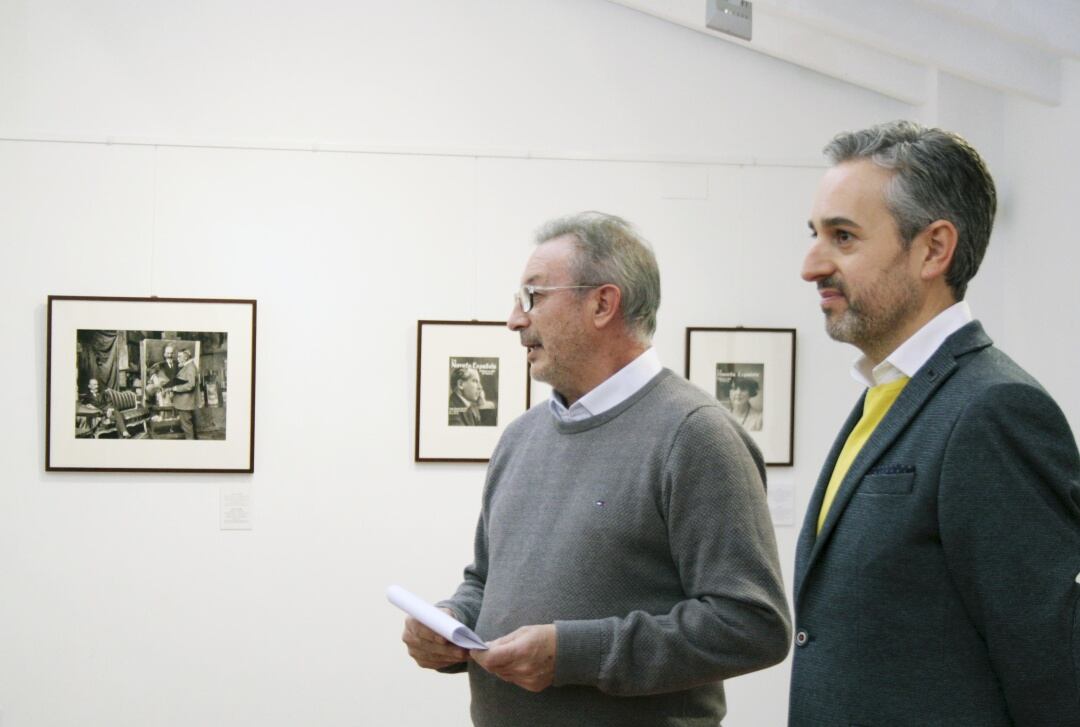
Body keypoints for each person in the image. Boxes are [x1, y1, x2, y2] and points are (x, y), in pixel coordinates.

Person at [402, 211, 791, 727]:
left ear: (603, 304)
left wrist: (575, 654)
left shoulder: (696, 435)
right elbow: (485, 578)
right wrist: (452, 622)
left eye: (533, 297)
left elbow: (751, 624)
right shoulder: (521, 437)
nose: (515, 320)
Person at [791, 120, 1080, 725]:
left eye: (842, 237)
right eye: (815, 235)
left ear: (934, 249)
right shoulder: (888, 393)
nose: (811, 265)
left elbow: (1052, 674)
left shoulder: (994, 410)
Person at [172, 348, 199, 440]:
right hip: (185, 402)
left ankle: (190, 447)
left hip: (185, 403)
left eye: (180, 356)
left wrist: (176, 388)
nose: (177, 358)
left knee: (187, 427)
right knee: (188, 426)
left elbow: (191, 385)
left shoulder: (190, 367)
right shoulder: (187, 366)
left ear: (186, 357)